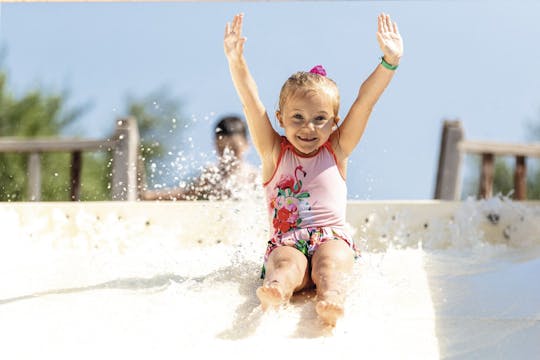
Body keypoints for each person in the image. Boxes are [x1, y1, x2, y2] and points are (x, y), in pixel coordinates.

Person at [224, 13, 403, 326]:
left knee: (330, 265)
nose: (308, 127)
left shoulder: (337, 149)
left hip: (331, 239)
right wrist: (236, 61)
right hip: (288, 240)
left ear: (334, 122)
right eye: (297, 117)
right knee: (284, 264)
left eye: (320, 118)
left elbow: (364, 102)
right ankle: (276, 290)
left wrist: (389, 61)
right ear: (280, 118)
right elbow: (251, 104)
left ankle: (331, 296)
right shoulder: (273, 151)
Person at [142, 115, 260, 201]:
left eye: (234, 149)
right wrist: (149, 195)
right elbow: (186, 193)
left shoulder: (254, 177)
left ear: (247, 144)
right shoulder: (212, 174)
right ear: (214, 145)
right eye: (222, 149)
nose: (228, 155)